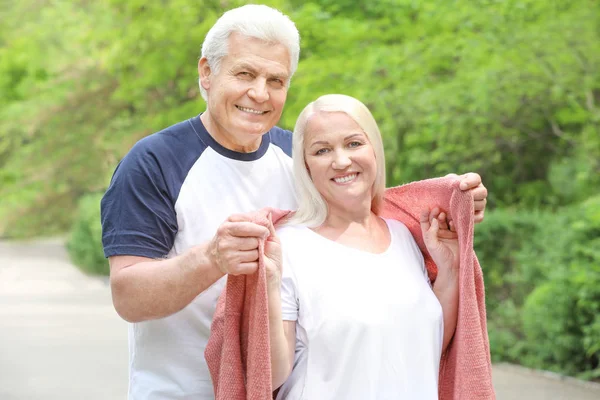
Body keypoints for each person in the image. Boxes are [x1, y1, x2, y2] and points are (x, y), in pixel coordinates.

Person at [100, 4, 488, 399]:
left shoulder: (302, 156)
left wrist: (453, 205)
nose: (259, 93)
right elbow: (129, 297)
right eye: (245, 73)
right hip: (183, 390)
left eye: (276, 80)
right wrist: (212, 258)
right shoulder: (154, 162)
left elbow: (369, 224)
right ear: (206, 72)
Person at [265, 94, 458, 399]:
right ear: (306, 165)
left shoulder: (404, 236)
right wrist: (269, 288)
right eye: (322, 150)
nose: (341, 161)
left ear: (374, 150)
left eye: (353, 143)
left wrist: (449, 269)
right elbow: (272, 374)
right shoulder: (288, 246)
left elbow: (424, 346)